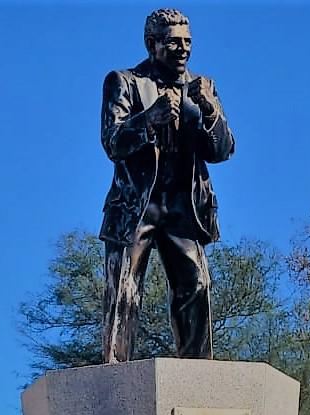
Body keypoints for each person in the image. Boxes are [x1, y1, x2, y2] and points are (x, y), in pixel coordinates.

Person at [99, 7, 235, 362]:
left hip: (182, 208)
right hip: (136, 207)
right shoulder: (125, 81)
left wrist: (209, 110)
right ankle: (115, 370)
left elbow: (222, 150)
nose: (183, 50)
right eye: (173, 42)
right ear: (151, 44)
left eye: (187, 42)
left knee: (197, 285)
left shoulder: (202, 87)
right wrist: (148, 119)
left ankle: (198, 374)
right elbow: (112, 141)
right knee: (124, 291)